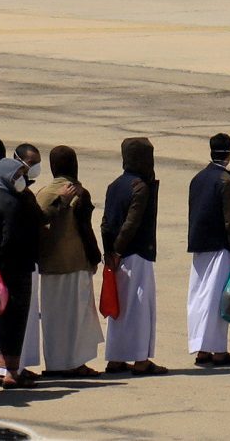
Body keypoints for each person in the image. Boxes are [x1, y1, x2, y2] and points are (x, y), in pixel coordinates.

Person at [36, 145, 103, 378]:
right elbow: (85, 228)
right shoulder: (78, 192)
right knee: (76, 316)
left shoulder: (43, 193)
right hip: (74, 263)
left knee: (53, 317)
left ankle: (54, 363)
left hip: (49, 265)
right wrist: (95, 256)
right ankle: (74, 363)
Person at [100, 137, 165, 376]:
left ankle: (115, 358)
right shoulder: (141, 186)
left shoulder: (114, 185)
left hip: (117, 256)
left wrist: (109, 252)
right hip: (136, 253)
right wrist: (117, 249)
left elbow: (106, 223)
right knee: (140, 306)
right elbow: (132, 222)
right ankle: (140, 360)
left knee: (119, 308)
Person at [0, 158, 43, 388]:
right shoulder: (14, 203)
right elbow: (11, 238)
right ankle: (11, 372)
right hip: (15, 271)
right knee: (14, 321)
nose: (20, 180)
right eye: (16, 176)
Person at [186, 133, 230, 368]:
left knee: (200, 298)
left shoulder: (197, 178)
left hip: (199, 245)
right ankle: (219, 351)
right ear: (229, 153)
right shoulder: (226, 181)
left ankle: (201, 349)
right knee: (219, 299)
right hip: (220, 246)